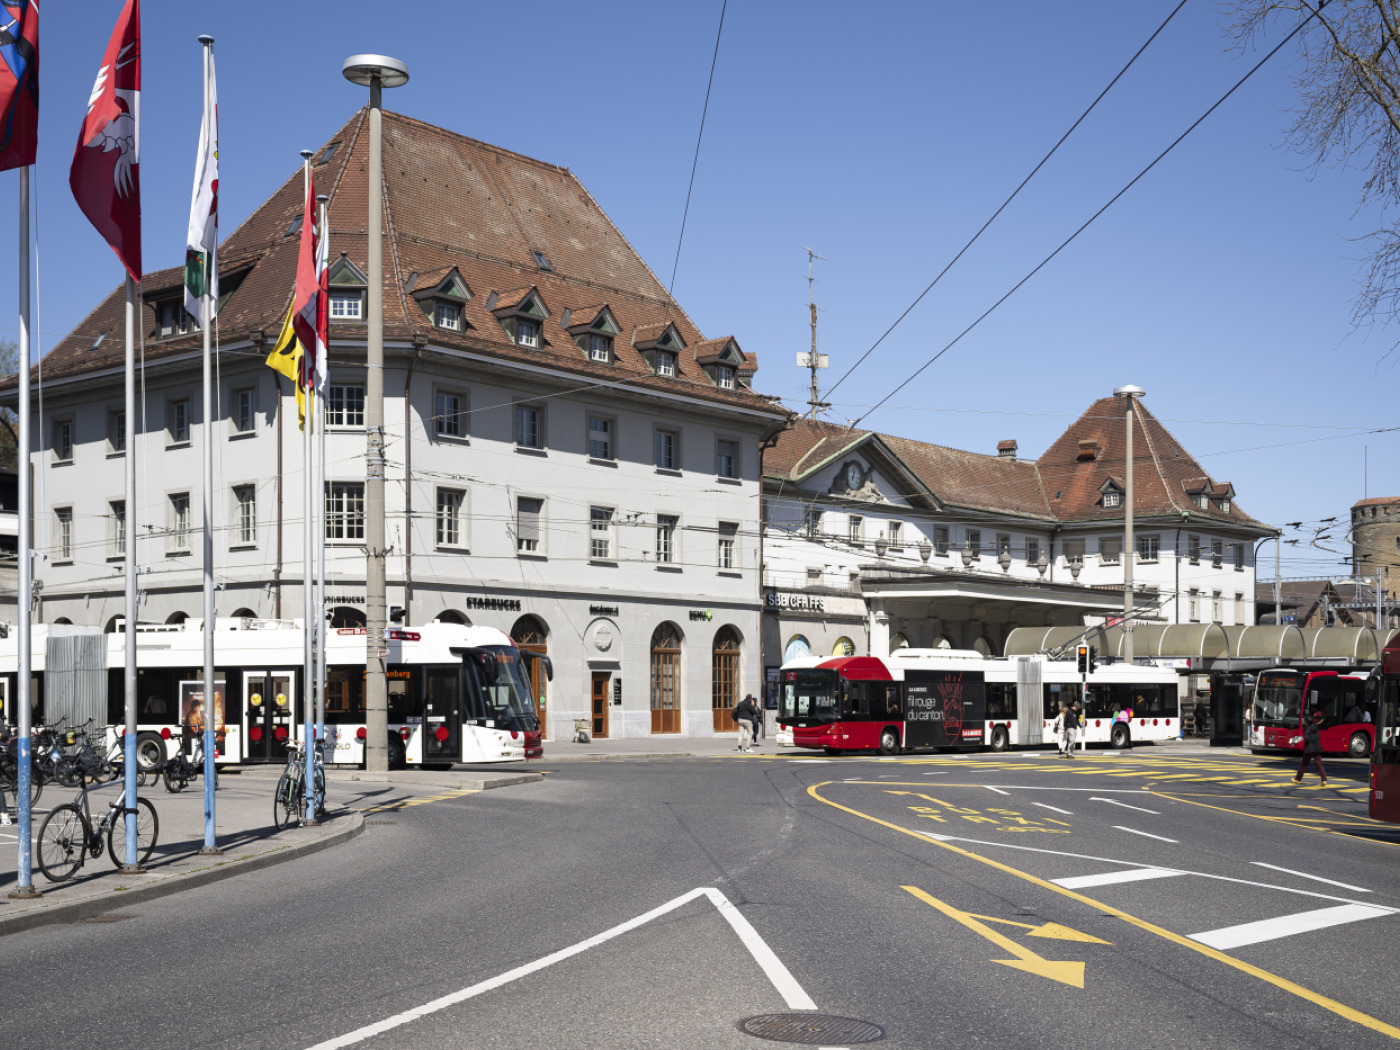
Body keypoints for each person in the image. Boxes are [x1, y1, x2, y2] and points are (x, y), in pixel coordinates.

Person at [1293, 710, 1328, 786]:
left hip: (1309, 749)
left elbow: (1307, 738)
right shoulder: (1315, 728)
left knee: (1304, 765)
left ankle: (1297, 779)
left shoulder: (1306, 729)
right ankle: (1324, 780)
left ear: (1307, 722)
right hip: (1317, 748)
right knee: (1319, 764)